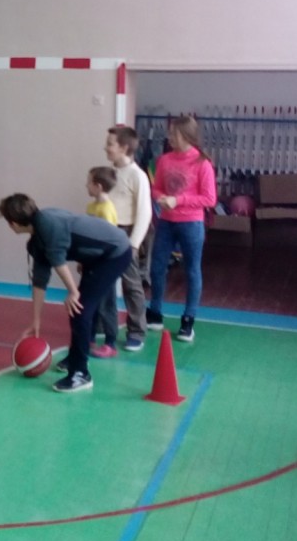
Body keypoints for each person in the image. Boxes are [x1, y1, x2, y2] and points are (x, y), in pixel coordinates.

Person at [0, 193, 132, 394]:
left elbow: (58, 259)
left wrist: (73, 292)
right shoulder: (36, 241)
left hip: (115, 253)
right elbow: (40, 280)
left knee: (79, 311)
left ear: (13, 223)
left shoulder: (47, 223)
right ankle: (76, 357)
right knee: (80, 310)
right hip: (96, 258)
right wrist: (36, 321)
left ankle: (81, 374)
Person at [147, 115, 217, 342]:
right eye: (170, 132)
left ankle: (188, 319)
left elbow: (209, 199)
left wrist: (179, 200)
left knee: (192, 270)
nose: (170, 137)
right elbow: (156, 188)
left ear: (187, 136)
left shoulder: (202, 164)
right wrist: (161, 198)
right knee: (157, 267)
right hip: (166, 222)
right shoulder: (164, 160)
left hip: (191, 224)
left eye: (174, 133)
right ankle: (155, 312)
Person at [105, 125, 153, 352]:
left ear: (124, 148)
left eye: (110, 144)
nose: (106, 148)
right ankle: (104, 325)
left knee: (131, 284)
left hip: (125, 235)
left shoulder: (138, 176)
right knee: (103, 281)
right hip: (107, 233)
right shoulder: (109, 174)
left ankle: (136, 331)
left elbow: (145, 212)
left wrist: (133, 244)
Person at [85, 166, 120, 359]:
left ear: (98, 186)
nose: (86, 186)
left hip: (106, 264)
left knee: (107, 303)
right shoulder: (91, 208)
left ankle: (110, 342)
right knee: (91, 302)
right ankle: (89, 337)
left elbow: (109, 239)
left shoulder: (106, 209)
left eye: (89, 182)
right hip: (92, 263)